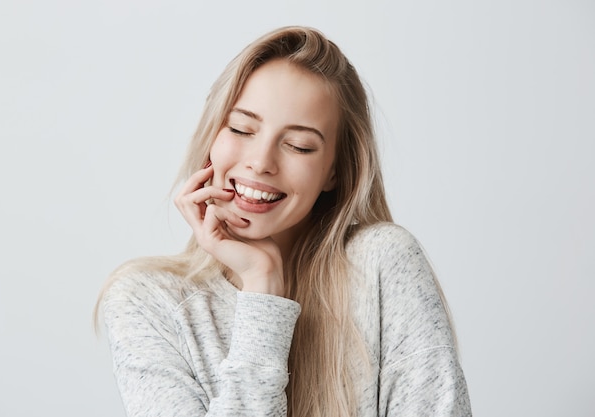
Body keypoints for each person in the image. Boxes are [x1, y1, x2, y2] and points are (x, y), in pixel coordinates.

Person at [97, 26, 471, 417]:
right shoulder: (146, 300)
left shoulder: (382, 263)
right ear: (212, 136)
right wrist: (262, 288)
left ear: (334, 172)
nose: (260, 162)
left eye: (299, 145)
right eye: (241, 128)